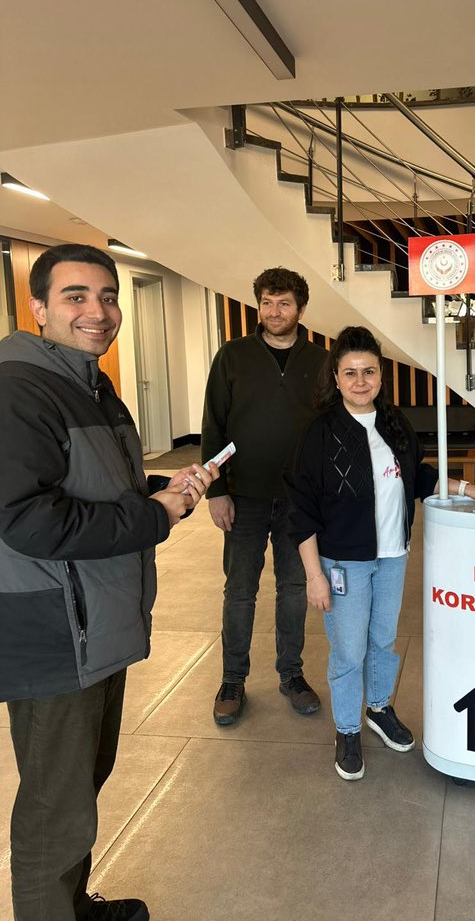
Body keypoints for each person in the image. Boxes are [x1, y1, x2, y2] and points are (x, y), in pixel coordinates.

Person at [0, 243, 217, 921]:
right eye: (75, 296)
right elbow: (26, 519)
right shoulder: (19, 389)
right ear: (38, 307)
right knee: (54, 811)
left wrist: (162, 488)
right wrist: (154, 515)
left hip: (95, 623)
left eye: (108, 296)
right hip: (55, 633)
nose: (97, 311)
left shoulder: (88, 382)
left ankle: (73, 907)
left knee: (81, 786)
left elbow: (94, 485)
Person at [286, 326, 475, 780]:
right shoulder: (319, 433)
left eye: (369, 371)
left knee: (382, 639)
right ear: (335, 378)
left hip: (393, 555)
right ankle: (347, 729)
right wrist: (314, 575)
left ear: (381, 375)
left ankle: (378, 708)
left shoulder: (393, 422)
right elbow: (300, 510)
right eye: (350, 373)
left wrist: (465, 488)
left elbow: (417, 474)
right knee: (349, 650)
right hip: (343, 562)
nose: (360, 381)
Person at [201, 266, 328, 724]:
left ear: (300, 310)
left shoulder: (321, 361)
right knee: (239, 591)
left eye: (284, 304)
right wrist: (217, 490)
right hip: (244, 496)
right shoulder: (232, 356)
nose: (275, 312)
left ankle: (291, 675)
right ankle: (232, 680)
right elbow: (214, 424)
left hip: (299, 500)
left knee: (294, 588)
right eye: (267, 303)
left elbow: (331, 429)